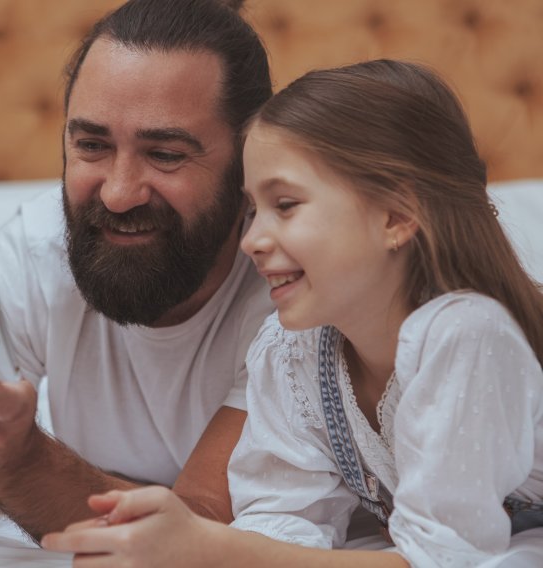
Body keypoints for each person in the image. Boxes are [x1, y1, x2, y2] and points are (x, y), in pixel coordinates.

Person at [41, 60, 543, 566]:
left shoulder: (466, 336)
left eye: (285, 204)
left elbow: (442, 559)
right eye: (253, 210)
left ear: (395, 215)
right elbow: (282, 526)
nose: (252, 240)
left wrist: (207, 548)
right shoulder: (295, 354)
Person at [0, 0, 274, 542]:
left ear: (249, 160)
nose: (118, 194)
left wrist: (17, 461)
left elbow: (200, 530)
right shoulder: (36, 251)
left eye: (165, 154)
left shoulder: (288, 282)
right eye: (91, 145)